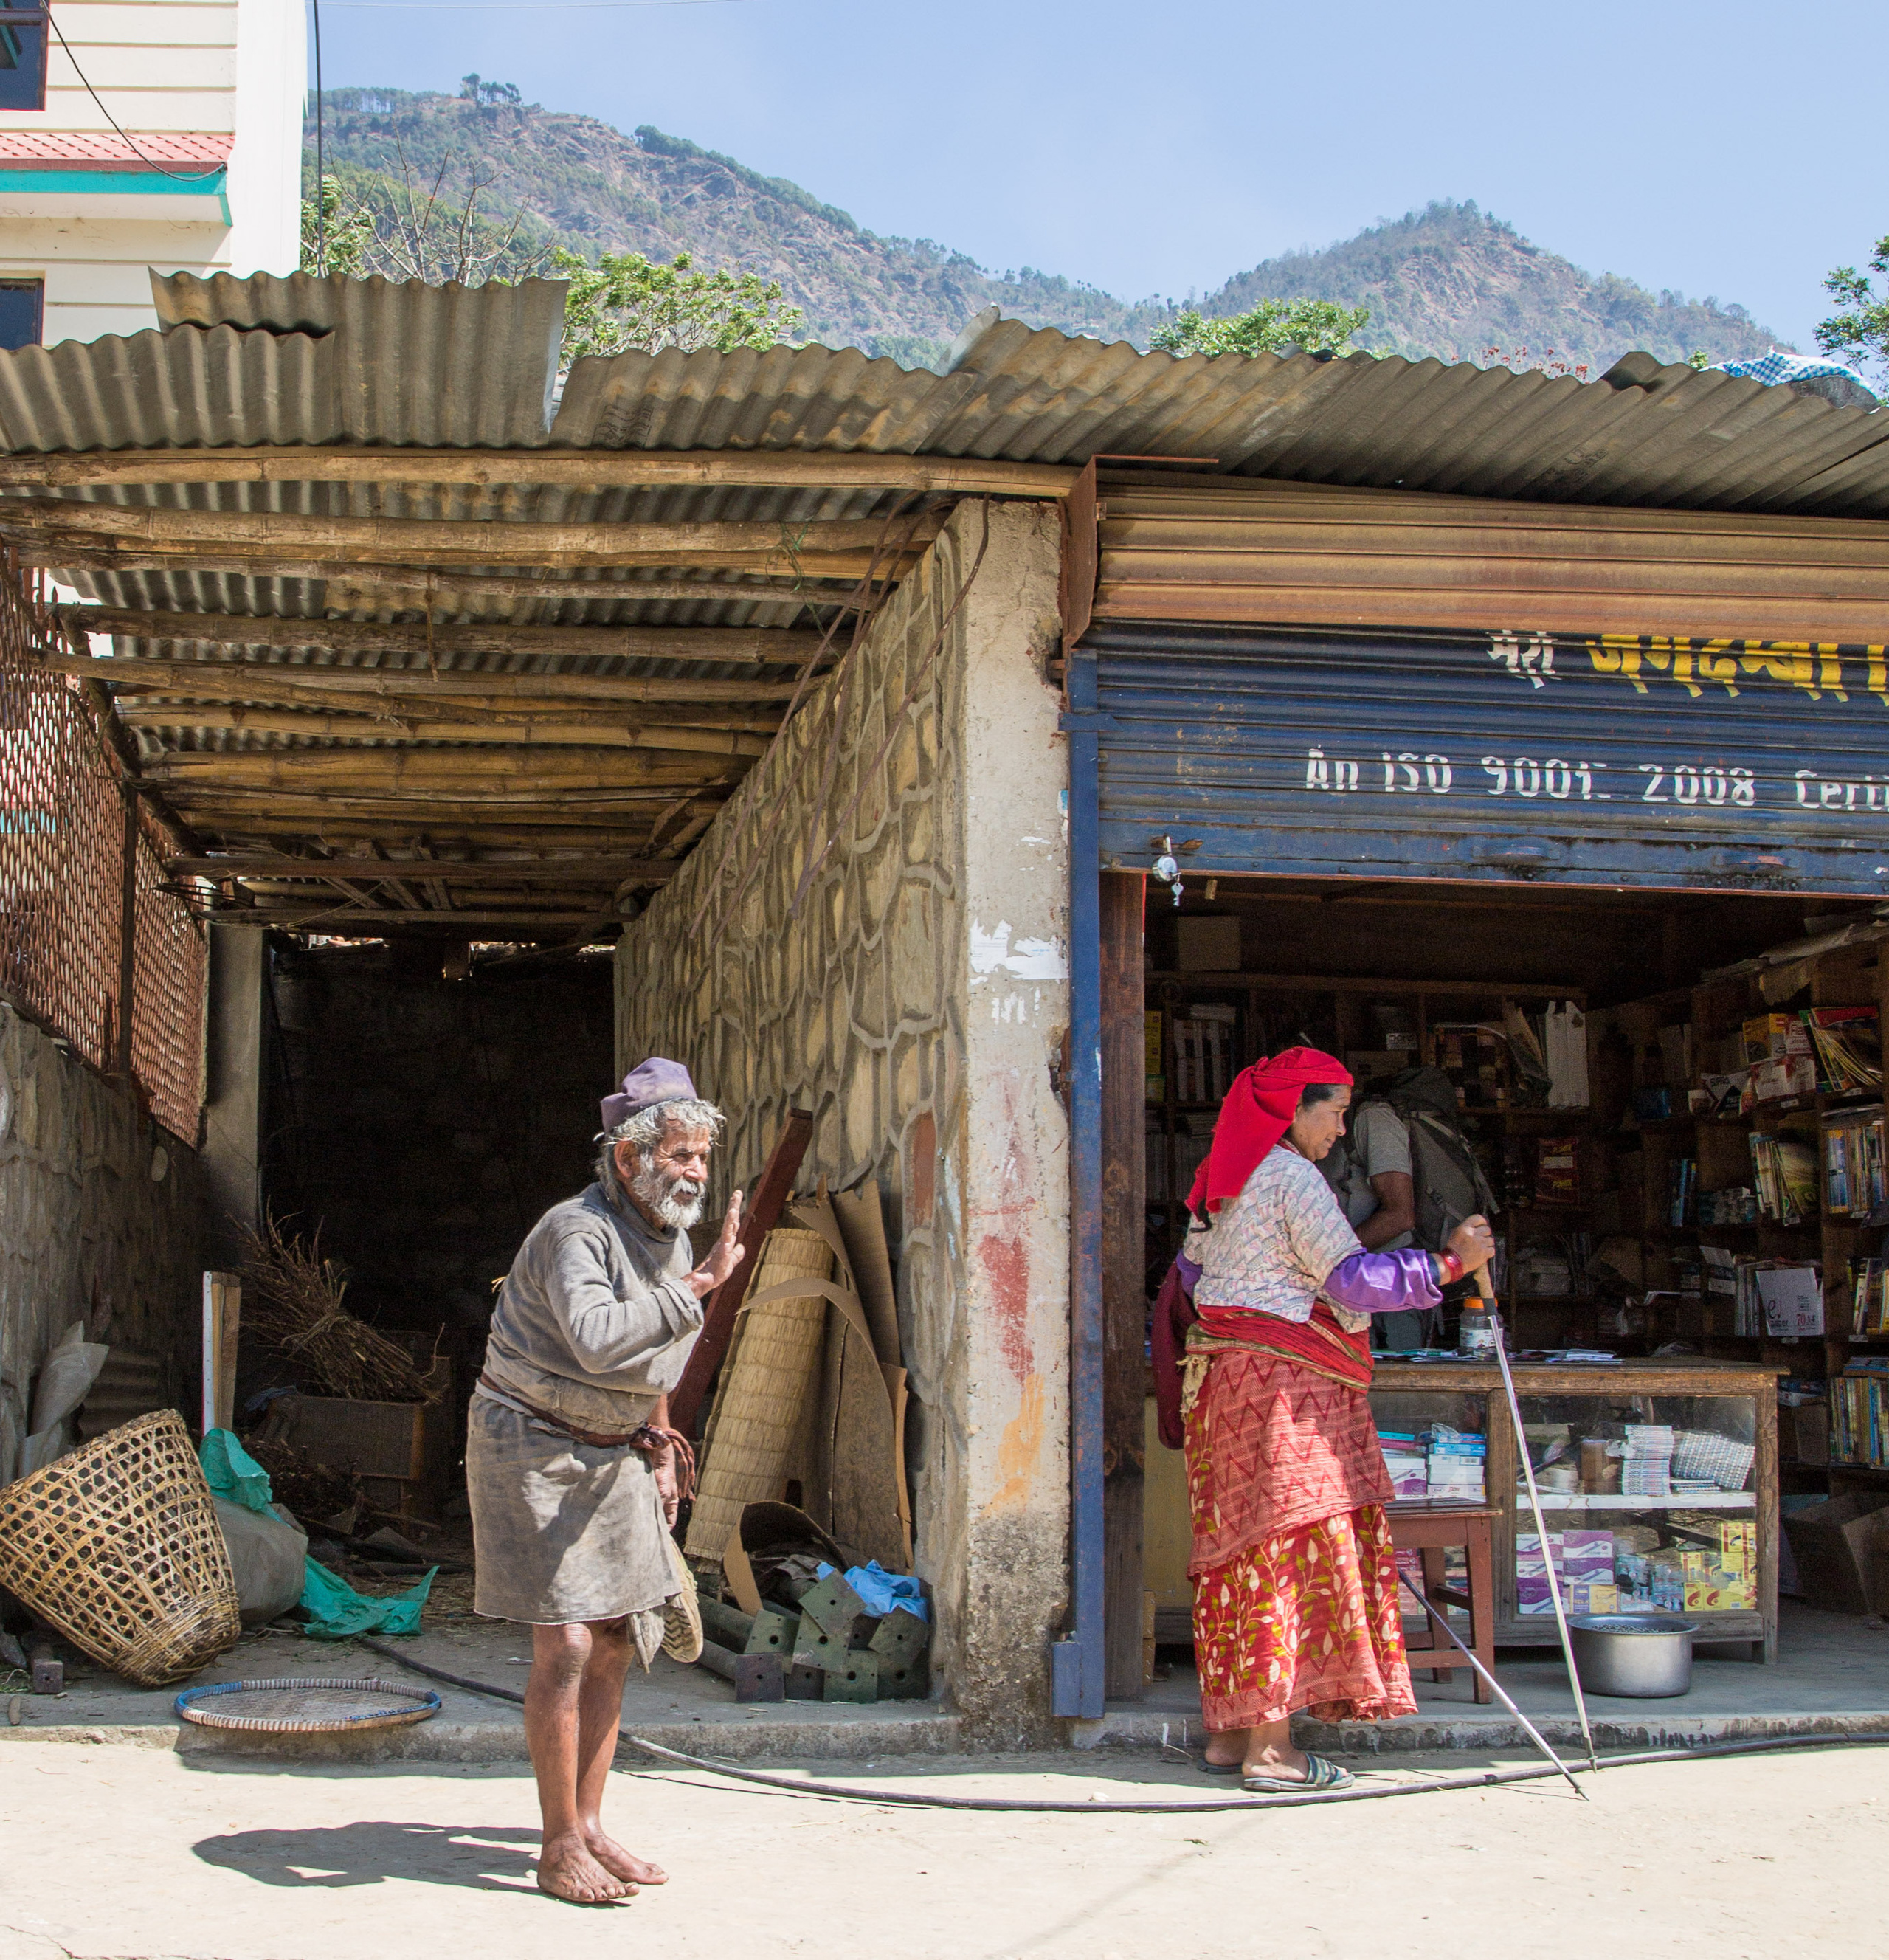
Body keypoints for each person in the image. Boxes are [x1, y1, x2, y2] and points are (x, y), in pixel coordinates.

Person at [1157, 1047, 1494, 1792]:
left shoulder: (1223, 1177)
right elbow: (1352, 1280)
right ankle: (1272, 1752)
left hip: (1224, 1385)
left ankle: (1232, 1734)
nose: (1342, 1129)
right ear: (1292, 1109)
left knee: (1239, 1557)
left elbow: (1190, 1276)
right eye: (1334, 1112)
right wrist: (1449, 1264)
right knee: (1290, 1553)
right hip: (1284, 1391)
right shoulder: (1290, 1178)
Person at [466, 1057, 745, 1905]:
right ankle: (556, 1845)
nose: (696, 1172)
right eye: (680, 1155)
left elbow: (653, 1355)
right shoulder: (575, 1232)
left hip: (613, 1445)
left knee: (618, 1635)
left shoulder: (673, 1237)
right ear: (628, 1158)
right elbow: (596, 1338)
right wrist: (699, 1288)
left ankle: (587, 1823)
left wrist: (658, 1445)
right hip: (530, 1443)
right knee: (569, 1642)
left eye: (702, 1156)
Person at [1321, 1066, 1498, 1353]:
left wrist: (1328, 1262)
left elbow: (1400, 1215)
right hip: (1376, 1282)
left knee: (1394, 1373)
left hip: (1389, 1284)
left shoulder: (1373, 1117)